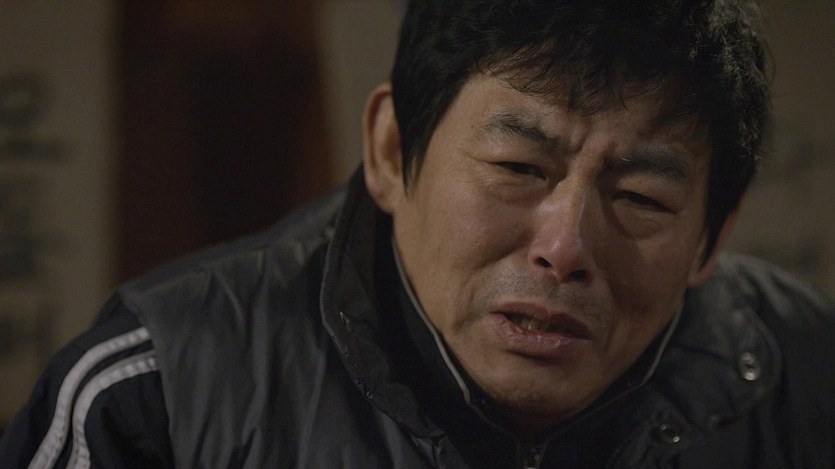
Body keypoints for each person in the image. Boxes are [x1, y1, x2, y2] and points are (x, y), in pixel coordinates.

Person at [2, 0, 834, 467]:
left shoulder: (806, 373)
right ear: (391, 150)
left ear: (710, 239)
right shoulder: (161, 393)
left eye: (642, 198)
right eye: (518, 167)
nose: (565, 247)